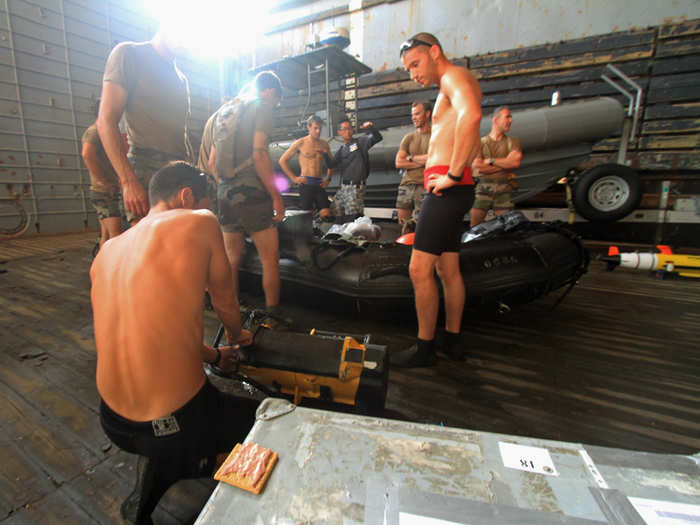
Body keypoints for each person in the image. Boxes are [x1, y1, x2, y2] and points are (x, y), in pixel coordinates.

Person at [90, 161, 256, 524]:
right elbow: (226, 302)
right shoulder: (199, 221)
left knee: (176, 420)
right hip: (176, 424)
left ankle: (160, 474)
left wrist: (212, 355)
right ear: (186, 196)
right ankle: (217, 476)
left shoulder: (108, 251)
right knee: (262, 419)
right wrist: (238, 337)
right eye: (203, 202)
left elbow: (155, 324)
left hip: (112, 420)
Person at [393, 32, 482, 367]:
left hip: (446, 188)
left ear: (434, 52)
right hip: (454, 187)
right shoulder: (454, 82)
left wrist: (455, 174)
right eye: (408, 69)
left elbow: (472, 117)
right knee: (448, 268)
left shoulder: (453, 76)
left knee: (419, 269)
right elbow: (471, 126)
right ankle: (452, 340)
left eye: (416, 64)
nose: (413, 74)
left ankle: (425, 348)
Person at [208, 71, 285, 318]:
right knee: (269, 258)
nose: (275, 106)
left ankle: (231, 310)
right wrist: (276, 196)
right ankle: (273, 315)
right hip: (251, 192)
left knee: (231, 257)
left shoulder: (226, 111)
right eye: (277, 102)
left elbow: (212, 161)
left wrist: (227, 185)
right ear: (271, 93)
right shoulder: (261, 108)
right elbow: (259, 154)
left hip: (225, 190)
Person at [97, 26, 192, 226]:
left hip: (178, 172)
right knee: (147, 249)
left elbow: (181, 133)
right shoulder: (129, 54)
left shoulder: (181, 79)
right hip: (145, 167)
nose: (187, 38)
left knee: (181, 247)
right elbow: (106, 121)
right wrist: (129, 181)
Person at [322, 118, 382, 223]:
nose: (348, 132)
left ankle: (354, 236)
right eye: (344, 129)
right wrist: (324, 154)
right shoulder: (342, 149)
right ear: (339, 132)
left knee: (353, 216)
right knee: (335, 209)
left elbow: (377, 138)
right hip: (344, 187)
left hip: (356, 186)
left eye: (350, 128)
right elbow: (331, 165)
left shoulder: (360, 142)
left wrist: (371, 128)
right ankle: (339, 235)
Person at [470, 106, 523, 227]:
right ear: (496, 120)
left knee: (506, 227)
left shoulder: (513, 142)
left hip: (503, 189)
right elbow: (478, 167)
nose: (510, 120)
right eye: (507, 117)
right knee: (474, 227)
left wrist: (491, 161)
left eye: (511, 117)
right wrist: (505, 165)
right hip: (483, 189)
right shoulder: (481, 143)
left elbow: (515, 163)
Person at [81, 101, 123, 250]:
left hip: (103, 191)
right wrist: (104, 181)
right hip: (104, 192)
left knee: (106, 235)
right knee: (115, 235)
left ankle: (102, 270)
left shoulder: (102, 132)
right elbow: (87, 154)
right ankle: (112, 271)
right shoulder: (95, 132)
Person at [279, 115, 333, 220]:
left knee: (327, 215)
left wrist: (328, 179)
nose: (318, 131)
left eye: (320, 129)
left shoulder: (324, 144)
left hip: (319, 184)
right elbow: (282, 161)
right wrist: (294, 178)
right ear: (308, 127)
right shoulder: (301, 143)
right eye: (315, 128)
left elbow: (332, 163)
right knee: (306, 217)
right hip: (306, 183)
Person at [394, 100, 432, 233]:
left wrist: (410, 158)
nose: (414, 118)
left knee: (422, 227)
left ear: (427, 114)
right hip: (406, 185)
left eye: (417, 114)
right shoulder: (408, 138)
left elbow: (434, 159)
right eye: (412, 115)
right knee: (404, 226)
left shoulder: (436, 136)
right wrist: (423, 161)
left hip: (424, 186)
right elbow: (399, 162)